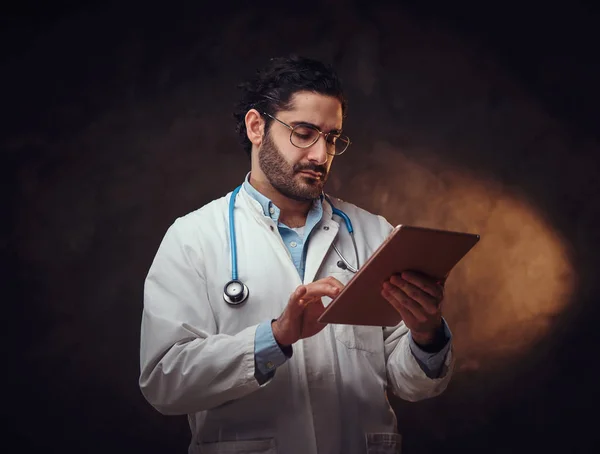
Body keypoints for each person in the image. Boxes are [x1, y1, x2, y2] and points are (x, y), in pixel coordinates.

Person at [139, 55, 454, 454]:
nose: (321, 155)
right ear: (257, 127)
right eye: (304, 133)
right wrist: (273, 339)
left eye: (332, 138)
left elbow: (409, 383)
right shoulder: (193, 237)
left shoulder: (374, 233)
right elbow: (164, 382)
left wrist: (427, 334)